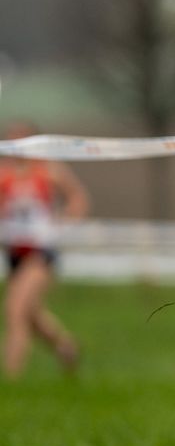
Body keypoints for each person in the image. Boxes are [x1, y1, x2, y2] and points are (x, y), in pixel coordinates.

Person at [2, 122, 84, 379]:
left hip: (40, 253)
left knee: (15, 309)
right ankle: (65, 346)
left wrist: (63, 221)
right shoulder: (4, 173)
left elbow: (78, 198)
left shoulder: (49, 171)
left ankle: (11, 379)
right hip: (14, 252)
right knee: (32, 315)